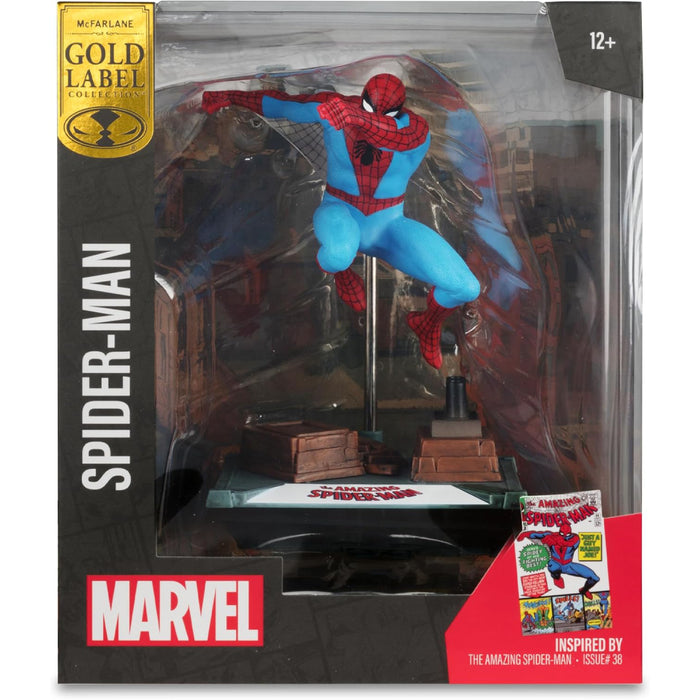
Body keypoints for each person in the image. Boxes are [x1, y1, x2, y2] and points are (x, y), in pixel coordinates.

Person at [202, 74, 480, 369]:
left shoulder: (415, 130)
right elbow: (279, 104)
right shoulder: (334, 109)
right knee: (337, 255)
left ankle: (427, 323)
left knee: (466, 288)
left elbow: (394, 138)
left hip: (389, 227)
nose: (376, 116)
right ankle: (343, 274)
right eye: (369, 109)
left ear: (400, 110)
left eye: (388, 113)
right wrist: (228, 97)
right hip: (340, 212)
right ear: (362, 98)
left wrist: (356, 118)